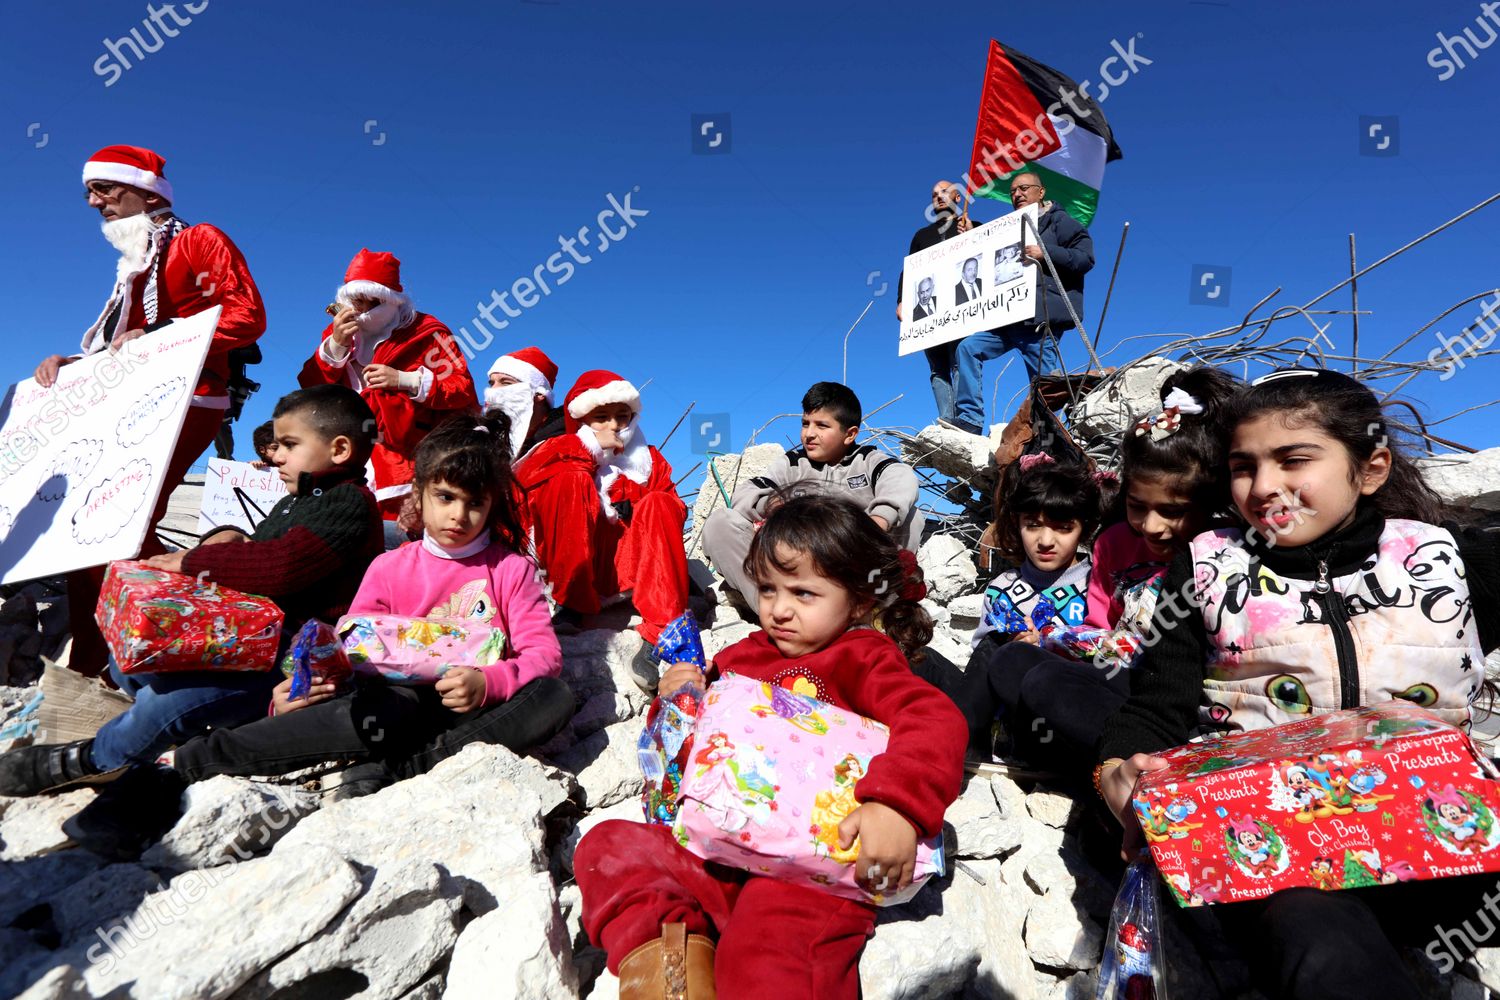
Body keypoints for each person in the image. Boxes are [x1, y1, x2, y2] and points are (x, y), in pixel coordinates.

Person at [1097, 368, 1500, 1000]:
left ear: (1370, 469)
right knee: (1323, 946)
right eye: (1243, 466)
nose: (1263, 488)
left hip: (1452, 849)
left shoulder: (1449, 561)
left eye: (1294, 460)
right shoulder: (1206, 569)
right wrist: (1117, 768)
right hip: (1281, 864)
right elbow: (1156, 707)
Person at [573, 493, 966, 997]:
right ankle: (673, 978)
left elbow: (934, 719)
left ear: (860, 600)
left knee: (769, 957)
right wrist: (677, 699)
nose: (778, 610)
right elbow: (689, 746)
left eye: (803, 594)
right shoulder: (743, 655)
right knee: (609, 847)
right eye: (766, 589)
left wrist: (896, 806)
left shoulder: (862, 656)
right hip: (720, 850)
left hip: (810, 870)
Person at [0, 386, 383, 846]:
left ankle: (95, 760)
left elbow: (281, 567)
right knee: (133, 659)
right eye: (276, 445)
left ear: (339, 449)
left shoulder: (348, 503)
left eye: (289, 445)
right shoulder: (297, 499)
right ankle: (181, 724)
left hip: (284, 658)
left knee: (172, 706)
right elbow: (261, 548)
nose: (275, 455)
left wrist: (189, 563)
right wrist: (231, 537)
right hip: (247, 638)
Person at [169, 413, 575, 789]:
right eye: (446, 497)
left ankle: (402, 767)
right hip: (394, 702)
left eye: (475, 504)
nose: (459, 516)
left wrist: (489, 683)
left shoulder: (510, 569)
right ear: (419, 494)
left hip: (470, 702)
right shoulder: (390, 566)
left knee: (554, 697)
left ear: (491, 506)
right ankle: (196, 759)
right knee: (383, 709)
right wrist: (302, 689)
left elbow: (543, 654)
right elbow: (352, 650)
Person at [39, 145, 267, 677]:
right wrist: (71, 364)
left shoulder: (197, 239)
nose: (93, 202)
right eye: (88, 192)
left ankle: (135, 663)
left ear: (146, 191)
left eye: (104, 189)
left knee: (107, 526)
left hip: (188, 399)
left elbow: (246, 315)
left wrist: (163, 336)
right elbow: (121, 346)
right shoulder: (135, 262)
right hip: (136, 406)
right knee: (100, 529)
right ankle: (140, 653)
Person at [974, 367, 1236, 773]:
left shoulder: (1218, 551)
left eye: (1173, 511)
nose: (1151, 526)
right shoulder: (1114, 544)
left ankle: (1102, 773)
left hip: (1181, 701)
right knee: (1013, 662)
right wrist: (1052, 641)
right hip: (1120, 682)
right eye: (1137, 507)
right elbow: (1103, 630)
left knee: (1046, 685)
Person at [514, 370, 689, 679]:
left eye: (622, 417)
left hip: (629, 565)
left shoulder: (649, 459)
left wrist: (638, 504)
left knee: (660, 502)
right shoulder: (561, 448)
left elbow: (673, 509)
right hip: (581, 566)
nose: (614, 426)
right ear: (583, 420)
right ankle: (571, 602)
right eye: (601, 417)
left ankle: (660, 631)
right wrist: (590, 449)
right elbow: (525, 483)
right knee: (569, 479)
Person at [701, 382, 922, 607]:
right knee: (720, 522)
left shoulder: (868, 461)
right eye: (805, 424)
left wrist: (873, 526)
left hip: (857, 569)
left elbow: (901, 477)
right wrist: (776, 505)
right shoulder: (792, 465)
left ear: (850, 434)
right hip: (797, 570)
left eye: (822, 426)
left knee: (911, 517)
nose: (809, 434)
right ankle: (774, 611)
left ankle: (876, 612)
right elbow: (749, 491)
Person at [299, 249, 479, 522]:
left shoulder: (428, 333)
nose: (357, 308)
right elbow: (312, 392)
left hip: (406, 458)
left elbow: (461, 387)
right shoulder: (338, 333)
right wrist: (335, 346)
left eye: (365, 300)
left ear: (386, 299)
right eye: (353, 300)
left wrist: (404, 380)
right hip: (345, 454)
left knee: (398, 540)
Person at [939, 456, 1099, 760]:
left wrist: (1050, 646)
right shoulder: (1002, 589)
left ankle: (960, 744)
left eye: (1063, 528)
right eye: (1033, 525)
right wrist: (1010, 648)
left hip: (1068, 715)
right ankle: (967, 747)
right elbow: (980, 665)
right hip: (1012, 713)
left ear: (1084, 529)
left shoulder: (1098, 585)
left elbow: (1112, 657)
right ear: (1017, 524)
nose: (1046, 541)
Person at [948, 172, 1094, 436]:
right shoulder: (1008, 226)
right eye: (1012, 191)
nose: (1017, 194)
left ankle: (1049, 436)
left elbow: (1085, 259)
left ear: (1041, 192)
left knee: (1046, 384)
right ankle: (969, 419)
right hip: (1005, 318)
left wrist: (1044, 252)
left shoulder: (1060, 222)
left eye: (1024, 188)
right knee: (968, 348)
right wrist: (972, 234)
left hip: (1038, 321)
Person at [896, 180, 972, 423]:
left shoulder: (970, 226)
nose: (939, 197)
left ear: (958, 197)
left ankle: (964, 419)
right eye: (934, 195)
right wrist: (901, 300)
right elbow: (909, 270)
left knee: (960, 361)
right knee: (938, 368)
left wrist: (972, 236)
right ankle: (946, 420)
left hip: (961, 308)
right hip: (929, 314)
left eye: (944, 192)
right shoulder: (922, 235)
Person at [483, 346, 566, 460]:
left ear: (539, 394)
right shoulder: (485, 442)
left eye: (506, 383)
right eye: (492, 383)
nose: (493, 390)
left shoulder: (564, 445)